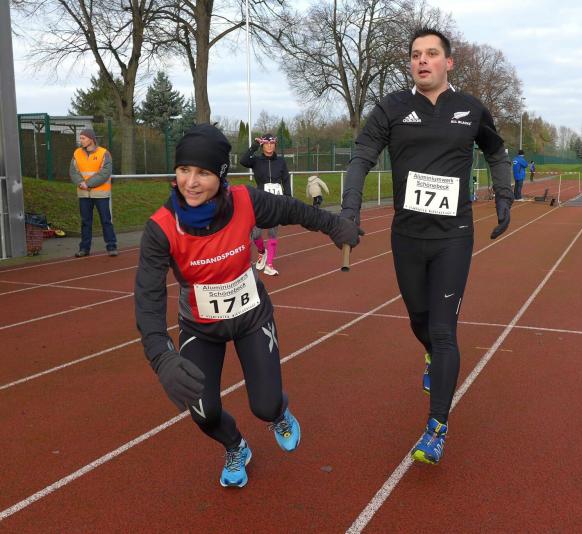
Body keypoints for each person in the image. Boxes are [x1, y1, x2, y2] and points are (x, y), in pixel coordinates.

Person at [134, 124, 361, 488]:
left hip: (251, 317)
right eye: (184, 170)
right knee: (203, 412)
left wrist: (334, 225)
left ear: (221, 175)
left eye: (203, 172)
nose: (191, 182)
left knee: (265, 405)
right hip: (201, 327)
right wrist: (161, 355)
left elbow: (291, 209)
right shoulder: (161, 228)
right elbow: (148, 297)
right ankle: (235, 445)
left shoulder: (245, 201)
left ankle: (279, 413)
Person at [340, 28, 513, 466]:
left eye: (431, 53)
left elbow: (496, 153)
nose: (422, 60)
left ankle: (437, 427)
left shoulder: (470, 108)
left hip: (454, 236)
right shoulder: (392, 107)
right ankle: (432, 356)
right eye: (416, 54)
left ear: (448, 62)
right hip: (407, 236)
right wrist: (350, 210)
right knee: (419, 320)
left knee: (443, 329)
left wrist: (504, 197)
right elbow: (361, 156)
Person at [239, 133, 291, 276]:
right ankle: (262, 252)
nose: (269, 146)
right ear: (263, 146)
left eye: (272, 143)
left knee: (273, 232)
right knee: (256, 233)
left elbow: (286, 180)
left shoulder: (281, 161)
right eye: (266, 144)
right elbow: (243, 161)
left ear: (275, 145)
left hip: (276, 201)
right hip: (261, 201)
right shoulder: (256, 161)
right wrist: (254, 146)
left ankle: (269, 265)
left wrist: (288, 199)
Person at [69, 128, 117, 257]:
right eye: (81, 138)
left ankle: (112, 246)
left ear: (91, 139)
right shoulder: (77, 153)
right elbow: (73, 172)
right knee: (85, 222)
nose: (81, 140)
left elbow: (105, 173)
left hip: (101, 194)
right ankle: (84, 248)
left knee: (106, 221)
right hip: (83, 194)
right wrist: (81, 183)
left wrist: (87, 184)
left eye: (83, 138)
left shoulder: (104, 153)